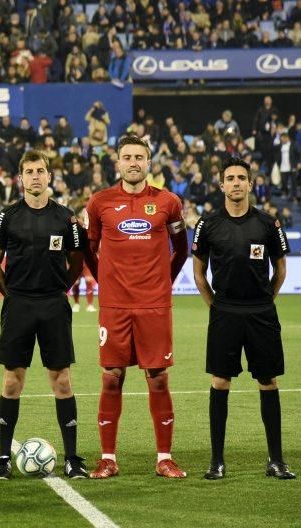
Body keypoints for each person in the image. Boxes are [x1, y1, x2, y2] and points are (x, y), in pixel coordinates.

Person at [84, 135, 189, 479]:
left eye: (139, 157)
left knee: (158, 379)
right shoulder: (99, 203)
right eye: (127, 157)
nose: (133, 162)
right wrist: (106, 283)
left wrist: (161, 284)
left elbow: (181, 249)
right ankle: (107, 458)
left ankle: (164, 458)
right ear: (117, 163)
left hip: (154, 306)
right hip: (114, 307)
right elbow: (90, 249)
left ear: (148, 162)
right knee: (111, 378)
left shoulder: (168, 202)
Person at [191, 156, 296, 481]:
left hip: (261, 312)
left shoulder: (268, 223)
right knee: (221, 381)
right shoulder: (207, 224)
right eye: (230, 178)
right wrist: (215, 304)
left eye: (241, 178)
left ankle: (276, 461)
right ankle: (217, 461)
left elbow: (280, 269)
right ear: (221, 185)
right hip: (225, 311)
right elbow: (198, 271)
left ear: (250, 183)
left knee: (268, 380)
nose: (236, 183)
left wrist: (265, 301)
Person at [0, 150, 88, 480]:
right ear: (20, 179)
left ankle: (72, 457)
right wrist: (11, 293)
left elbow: (77, 262)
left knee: (62, 381)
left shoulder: (66, 218)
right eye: (29, 171)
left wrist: (61, 290)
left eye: (40, 171)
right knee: (12, 381)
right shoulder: (7, 216)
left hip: (54, 305)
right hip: (18, 305)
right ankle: (3, 458)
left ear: (49, 177)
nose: (35, 176)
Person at [72, 207, 97, 313]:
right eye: (83, 211)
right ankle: (76, 304)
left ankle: (90, 304)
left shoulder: (92, 225)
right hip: (76, 256)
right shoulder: (74, 225)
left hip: (87, 256)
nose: (85, 213)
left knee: (89, 281)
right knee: (75, 282)